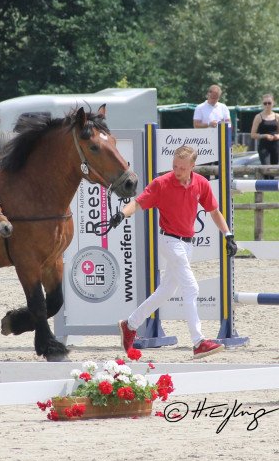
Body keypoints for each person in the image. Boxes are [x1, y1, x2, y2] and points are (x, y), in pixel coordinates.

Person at [111, 145, 238, 359]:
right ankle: (198, 342)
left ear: (192, 166)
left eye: (181, 167)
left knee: (166, 291)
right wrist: (122, 215)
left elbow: (214, 211)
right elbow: (138, 203)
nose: (176, 170)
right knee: (192, 287)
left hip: (187, 244)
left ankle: (130, 324)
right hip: (169, 240)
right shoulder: (161, 184)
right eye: (174, 166)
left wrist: (228, 235)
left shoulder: (201, 184)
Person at [250, 94, 279, 174]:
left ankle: (272, 186)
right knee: (266, 169)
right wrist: (265, 135)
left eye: (269, 103)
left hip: (275, 146)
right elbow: (252, 134)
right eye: (265, 103)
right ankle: (266, 185)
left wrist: (277, 136)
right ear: (262, 104)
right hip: (264, 147)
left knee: (274, 170)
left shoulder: (277, 116)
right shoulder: (258, 117)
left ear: (273, 103)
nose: (267, 105)